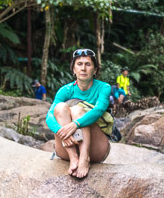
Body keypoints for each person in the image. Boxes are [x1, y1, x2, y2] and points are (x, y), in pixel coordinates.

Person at [45, 49, 114, 178]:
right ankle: (74, 158)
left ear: (95, 70)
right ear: (73, 69)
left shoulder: (103, 88)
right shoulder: (65, 90)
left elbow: (98, 110)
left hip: (95, 149)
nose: (83, 68)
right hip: (67, 146)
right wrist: (62, 133)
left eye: (88, 64)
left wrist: (75, 124)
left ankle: (84, 159)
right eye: (79, 64)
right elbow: (49, 116)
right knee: (60, 107)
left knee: (77, 109)